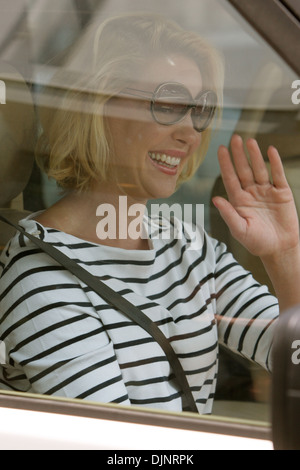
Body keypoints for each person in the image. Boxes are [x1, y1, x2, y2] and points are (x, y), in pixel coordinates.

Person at [0, 13, 299, 414]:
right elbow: (119, 448)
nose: (191, 132)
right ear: (97, 107)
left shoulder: (187, 245)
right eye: (168, 104)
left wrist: (284, 254)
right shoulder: (41, 278)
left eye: (199, 110)